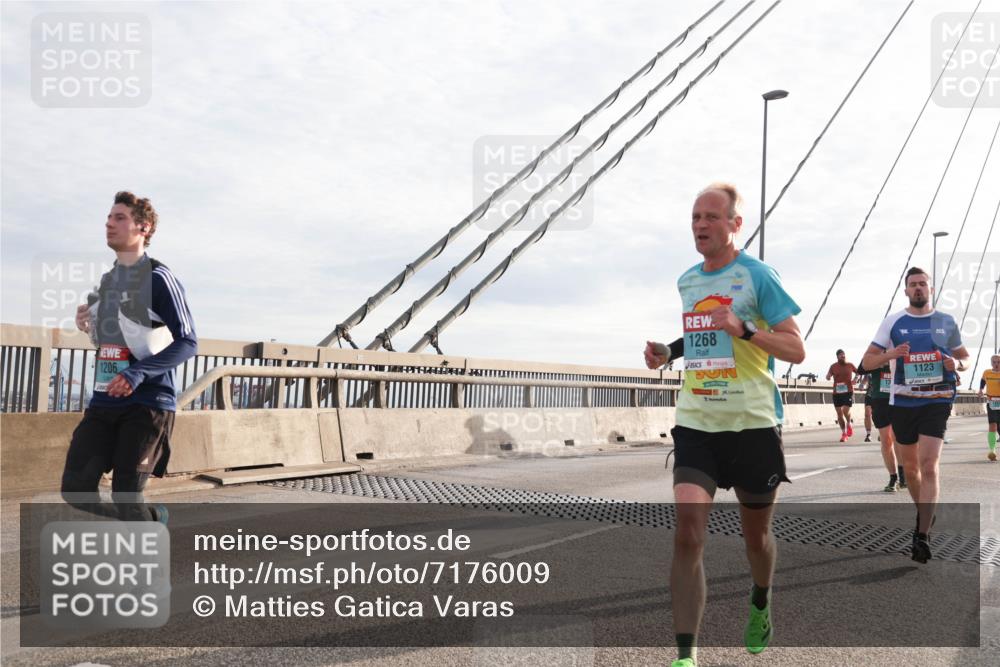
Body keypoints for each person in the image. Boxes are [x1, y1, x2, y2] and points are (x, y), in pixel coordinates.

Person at [645, 183, 804, 667]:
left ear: (735, 225)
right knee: (688, 534)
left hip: (753, 424)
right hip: (697, 421)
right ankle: (686, 656)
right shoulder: (688, 281)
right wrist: (668, 353)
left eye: (712, 216)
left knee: (756, 538)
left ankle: (760, 597)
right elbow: (703, 337)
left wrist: (747, 330)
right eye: (695, 216)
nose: (700, 224)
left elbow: (796, 349)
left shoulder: (758, 276)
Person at [62, 191, 197, 522]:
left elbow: (188, 341)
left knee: (126, 495)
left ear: (144, 228)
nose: (109, 223)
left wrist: (137, 374)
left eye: (119, 217)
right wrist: (88, 325)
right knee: (75, 490)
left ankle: (145, 528)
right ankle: (145, 519)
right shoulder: (108, 281)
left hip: (148, 403)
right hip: (105, 401)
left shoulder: (159, 278)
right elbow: (112, 341)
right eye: (108, 217)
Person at [861, 267, 969, 563]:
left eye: (923, 284)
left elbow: (965, 358)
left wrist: (955, 366)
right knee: (910, 470)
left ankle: (921, 534)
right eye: (913, 285)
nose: (918, 288)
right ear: (906, 290)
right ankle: (925, 513)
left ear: (931, 289)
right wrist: (890, 355)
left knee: (929, 465)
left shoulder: (945, 322)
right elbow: (867, 361)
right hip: (903, 402)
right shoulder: (893, 322)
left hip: (937, 399)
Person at [858, 361, 906, 491]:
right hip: (880, 401)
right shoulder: (875, 352)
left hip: (898, 399)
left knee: (898, 438)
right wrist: (880, 360)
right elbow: (861, 369)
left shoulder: (899, 349)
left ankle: (903, 475)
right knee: (886, 441)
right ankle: (893, 477)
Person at [826, 349, 858, 442]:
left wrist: (856, 379)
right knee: (839, 413)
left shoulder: (850, 365)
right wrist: (827, 376)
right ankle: (844, 433)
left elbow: (858, 372)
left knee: (845, 410)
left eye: (844, 355)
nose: (843, 356)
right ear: (837, 357)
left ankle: (849, 423)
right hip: (837, 393)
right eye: (841, 355)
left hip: (848, 391)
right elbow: (828, 375)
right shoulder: (833, 366)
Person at [977, 354, 1000, 462]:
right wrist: (981, 390)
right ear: (991, 363)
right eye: (994, 362)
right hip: (992, 402)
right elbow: (983, 381)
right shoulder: (987, 372)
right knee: (993, 425)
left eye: (998, 362)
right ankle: (992, 451)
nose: (996, 364)